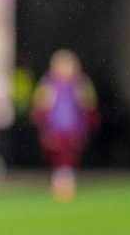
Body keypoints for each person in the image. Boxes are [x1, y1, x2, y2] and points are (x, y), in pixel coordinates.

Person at [31, 49, 98, 201]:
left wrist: (88, 122)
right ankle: (60, 181)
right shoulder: (48, 83)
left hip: (75, 127)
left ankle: (67, 181)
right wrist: (43, 124)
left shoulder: (80, 83)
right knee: (57, 154)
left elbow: (89, 105)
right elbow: (40, 106)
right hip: (54, 127)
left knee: (70, 155)